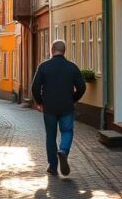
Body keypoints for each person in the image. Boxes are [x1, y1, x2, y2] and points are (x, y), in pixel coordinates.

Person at [31, 40, 86, 176]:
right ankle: (63, 150)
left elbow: (35, 87)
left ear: (52, 50)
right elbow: (82, 87)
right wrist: (73, 99)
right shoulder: (72, 67)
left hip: (49, 107)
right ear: (64, 51)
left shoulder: (44, 67)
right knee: (67, 131)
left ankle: (53, 166)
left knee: (51, 136)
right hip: (67, 106)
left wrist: (39, 102)